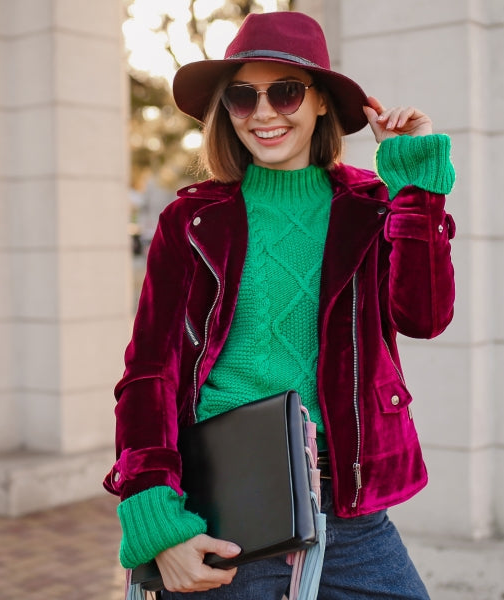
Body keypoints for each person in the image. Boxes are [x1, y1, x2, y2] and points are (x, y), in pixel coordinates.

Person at [103, 11, 456, 599]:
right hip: (226, 506)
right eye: (243, 97)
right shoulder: (190, 221)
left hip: (351, 513)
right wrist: (156, 519)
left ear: (320, 102)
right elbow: (148, 374)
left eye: (285, 92)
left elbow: (424, 315)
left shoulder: (371, 205)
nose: (264, 113)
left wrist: (413, 185)